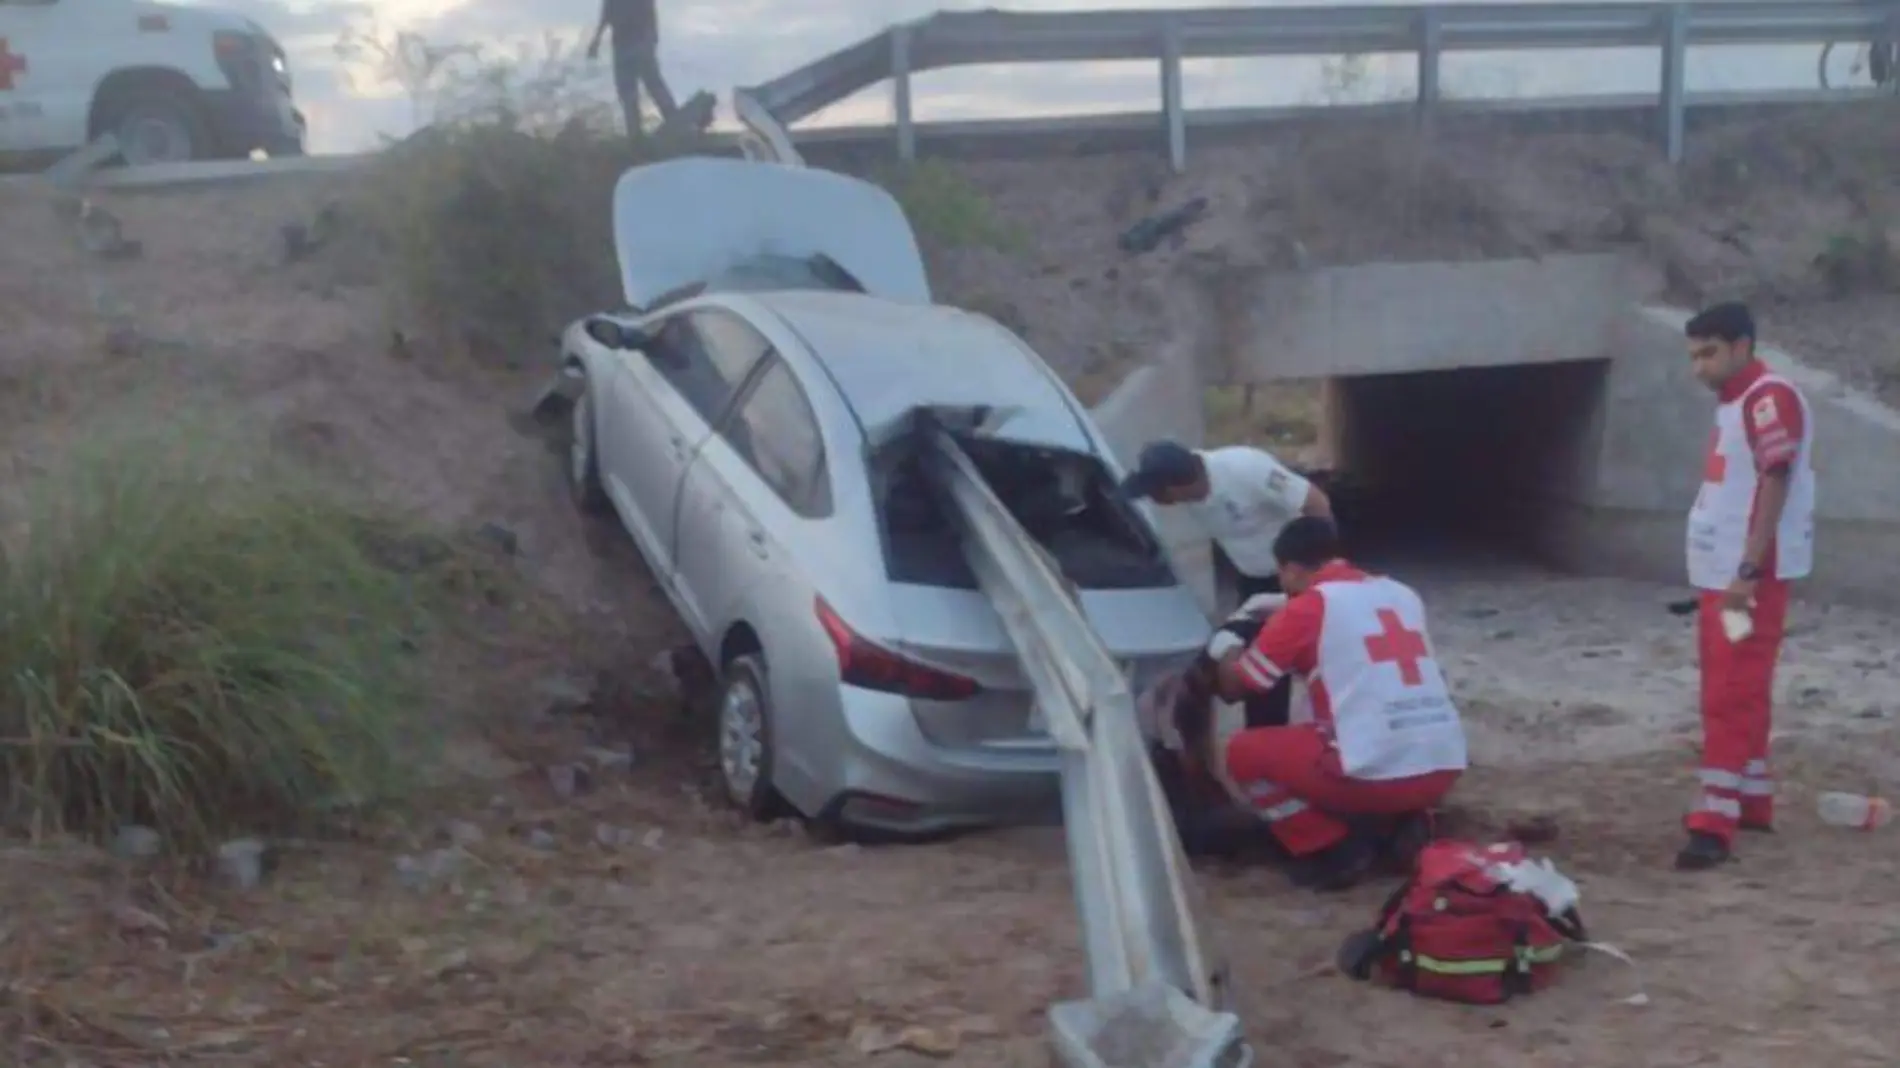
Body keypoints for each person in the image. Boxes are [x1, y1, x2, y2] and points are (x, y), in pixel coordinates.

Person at [1175, 516, 1467, 891]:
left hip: (1377, 778)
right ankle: (1404, 822)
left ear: (1292, 569)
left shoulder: (1308, 609)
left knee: (1246, 753)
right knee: (1339, 722)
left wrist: (1230, 637)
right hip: (1442, 767)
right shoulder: (1402, 594)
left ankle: (1330, 848)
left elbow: (1237, 687)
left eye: (1281, 574)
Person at [1676, 301, 1816, 872]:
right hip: (1728, 577)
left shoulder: (1765, 399)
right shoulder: (1741, 403)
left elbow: (1774, 475)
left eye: (1708, 353)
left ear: (1742, 346)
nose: (1699, 368)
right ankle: (1752, 796)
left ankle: (1714, 819)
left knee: (1729, 692)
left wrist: (1748, 571)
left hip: (1745, 581)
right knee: (1740, 686)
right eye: (1693, 356)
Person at [1120, 440, 1335, 730]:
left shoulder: (1245, 469)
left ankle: (1330, 731)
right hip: (1253, 580)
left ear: (1175, 486)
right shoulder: (1191, 492)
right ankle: (1265, 741)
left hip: (1300, 575)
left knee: (1317, 655)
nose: (1153, 499)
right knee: (1259, 664)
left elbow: (1317, 505)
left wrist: (1321, 574)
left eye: (1154, 491)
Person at [588, 0, 677, 140]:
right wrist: (596, 40)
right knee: (628, 93)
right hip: (622, 46)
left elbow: (649, 11)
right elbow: (606, 13)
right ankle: (635, 134)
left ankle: (673, 119)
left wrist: (651, 40)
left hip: (639, 41)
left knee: (652, 83)